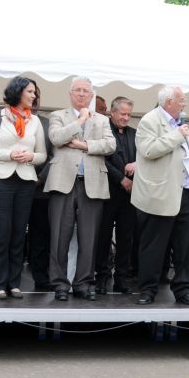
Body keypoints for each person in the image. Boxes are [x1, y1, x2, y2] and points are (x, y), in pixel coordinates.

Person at [45, 76, 116, 301]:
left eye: (86, 91)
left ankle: (83, 283)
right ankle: (59, 284)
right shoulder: (58, 116)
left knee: (89, 238)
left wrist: (83, 145)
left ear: (92, 94)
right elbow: (56, 138)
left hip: (92, 183)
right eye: (77, 90)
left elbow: (110, 145)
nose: (82, 94)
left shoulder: (102, 120)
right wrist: (80, 121)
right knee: (59, 235)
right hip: (62, 182)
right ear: (70, 93)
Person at [132, 86, 189, 305]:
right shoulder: (149, 121)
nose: (185, 104)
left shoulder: (180, 124)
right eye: (182, 101)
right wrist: (176, 136)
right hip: (159, 193)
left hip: (183, 192)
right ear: (169, 101)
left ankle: (183, 290)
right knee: (154, 245)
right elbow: (148, 150)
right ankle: (148, 290)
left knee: (185, 245)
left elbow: (180, 152)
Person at [0, 76, 47, 299]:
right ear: (18, 92)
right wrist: (9, 154)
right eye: (30, 92)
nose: (33, 96)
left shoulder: (35, 121)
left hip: (26, 180)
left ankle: (14, 283)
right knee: (0, 232)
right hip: (0, 178)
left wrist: (30, 156)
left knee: (19, 233)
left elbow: (42, 155)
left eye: (34, 92)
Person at [94, 96, 137, 295]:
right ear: (112, 112)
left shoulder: (135, 134)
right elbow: (101, 160)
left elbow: (142, 158)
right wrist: (121, 178)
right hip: (108, 191)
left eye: (129, 114)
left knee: (126, 237)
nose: (126, 118)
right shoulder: (103, 131)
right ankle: (101, 277)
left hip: (129, 195)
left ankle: (121, 278)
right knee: (103, 236)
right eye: (123, 114)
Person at [27, 83, 54, 290]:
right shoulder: (7, 120)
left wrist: (41, 178)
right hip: (13, 186)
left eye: (37, 95)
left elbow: (55, 155)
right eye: (29, 94)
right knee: (12, 234)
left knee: (40, 236)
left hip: (40, 190)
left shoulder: (48, 123)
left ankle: (41, 278)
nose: (34, 98)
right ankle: (9, 277)